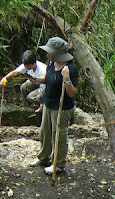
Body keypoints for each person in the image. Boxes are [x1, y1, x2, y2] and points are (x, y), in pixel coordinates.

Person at [29, 37, 78, 175]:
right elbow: (48, 78)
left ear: (57, 53)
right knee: (45, 132)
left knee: (59, 136)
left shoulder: (70, 68)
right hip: (48, 104)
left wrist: (67, 79)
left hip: (62, 108)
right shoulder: (52, 63)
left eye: (49, 52)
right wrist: (37, 80)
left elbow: (73, 93)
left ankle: (58, 164)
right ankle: (43, 158)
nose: (47, 54)